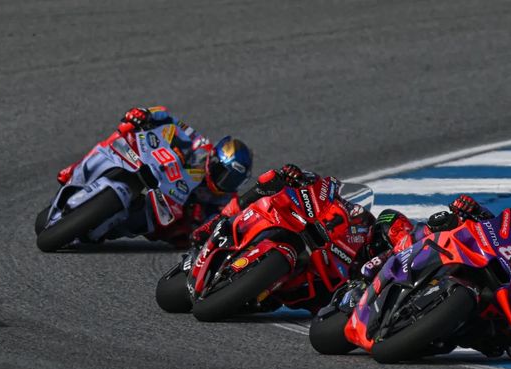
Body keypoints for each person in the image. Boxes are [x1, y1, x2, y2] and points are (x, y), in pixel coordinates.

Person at [343, 195, 511, 359]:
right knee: (436, 226)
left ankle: (415, 329)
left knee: (453, 346)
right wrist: (475, 210)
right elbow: (500, 233)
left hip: (484, 331)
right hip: (483, 273)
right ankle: (383, 264)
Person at [190, 163, 378, 311]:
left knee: (268, 305)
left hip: (305, 280)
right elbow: (304, 178)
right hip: (283, 222)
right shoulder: (326, 191)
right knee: (268, 184)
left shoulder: (355, 240)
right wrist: (292, 174)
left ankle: (257, 291)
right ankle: (215, 223)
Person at [56, 106, 253, 245]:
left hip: (170, 216)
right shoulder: (200, 144)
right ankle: (77, 170)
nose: (223, 182)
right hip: (157, 170)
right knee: (123, 132)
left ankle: (105, 227)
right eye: (223, 174)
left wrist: (203, 225)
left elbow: (222, 222)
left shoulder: (227, 199)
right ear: (215, 159)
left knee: (160, 228)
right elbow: (170, 118)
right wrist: (146, 114)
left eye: (232, 181)